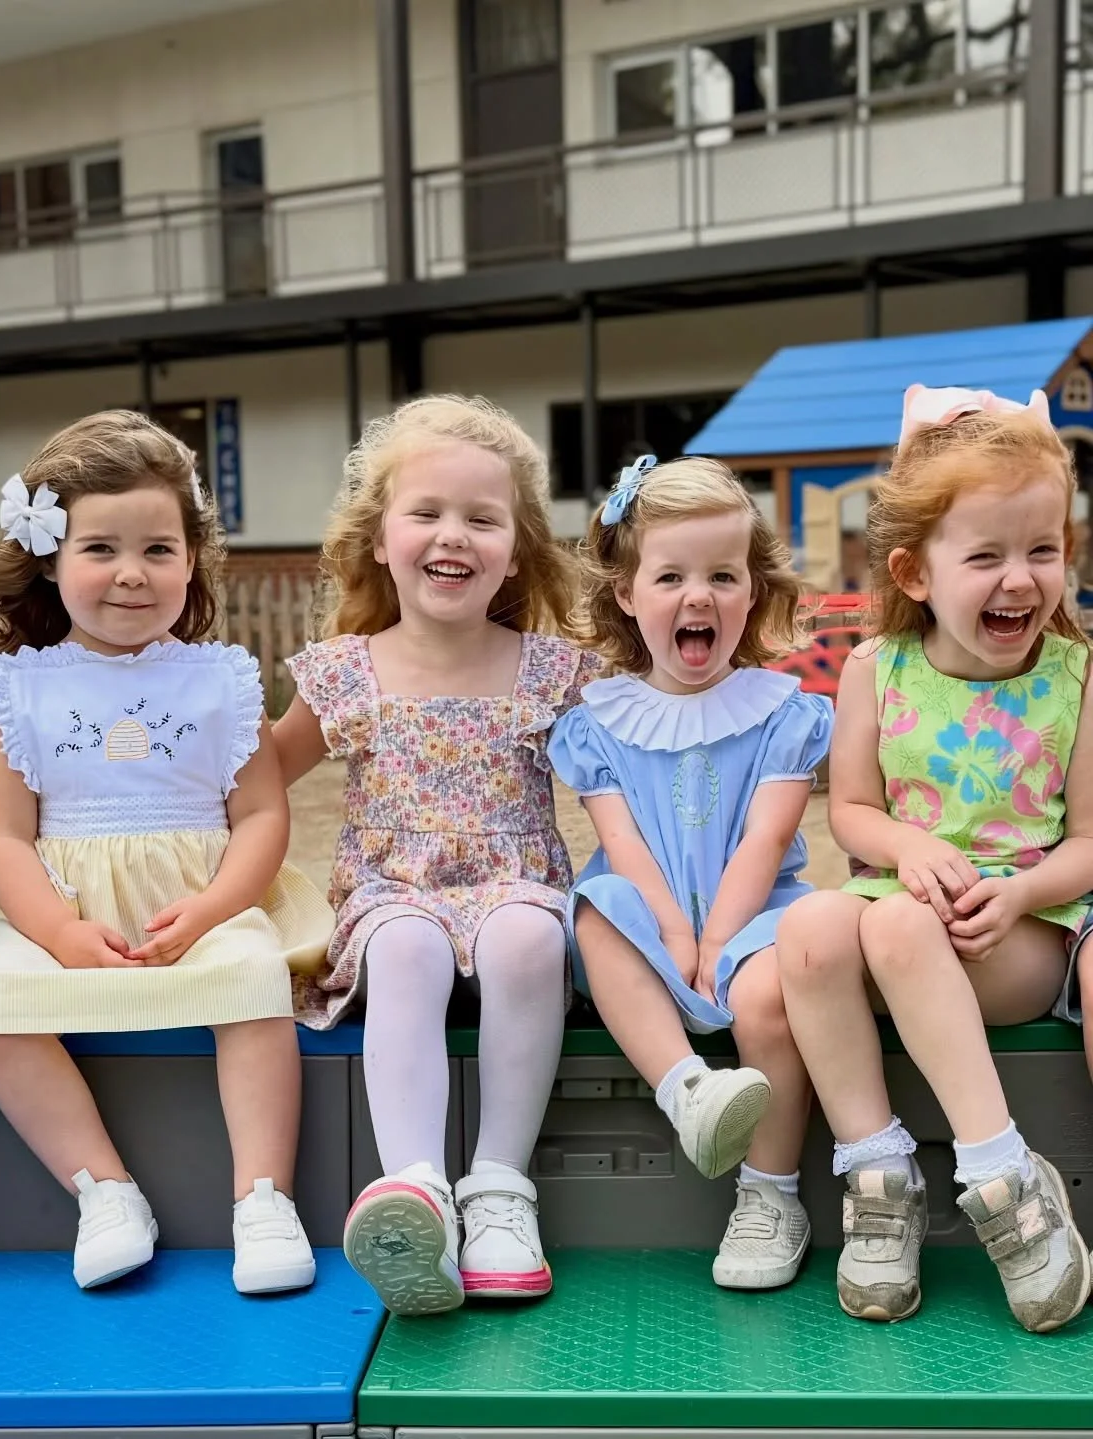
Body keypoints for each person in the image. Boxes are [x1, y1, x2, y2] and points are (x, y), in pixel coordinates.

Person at [0, 410, 332, 1295]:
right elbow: (2, 832)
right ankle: (105, 1189)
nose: (132, 573)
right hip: (63, 904)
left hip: (203, 897)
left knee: (252, 982)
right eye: (101, 549)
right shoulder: (23, 686)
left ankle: (263, 1196)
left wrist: (213, 907)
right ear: (50, 558)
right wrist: (54, 929)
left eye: (159, 548)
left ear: (192, 559)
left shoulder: (222, 679)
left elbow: (261, 817)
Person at [777, 385, 1093, 1333]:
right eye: (986, 554)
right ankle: (878, 1173)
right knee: (811, 922)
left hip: (1019, 933)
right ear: (916, 572)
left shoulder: (1075, 678)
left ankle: (1004, 1177)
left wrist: (1024, 889)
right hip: (893, 917)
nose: (1019, 579)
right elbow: (855, 812)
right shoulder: (877, 668)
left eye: (1041, 551)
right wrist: (910, 845)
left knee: (898, 925)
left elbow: (1087, 842)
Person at [274, 395, 598, 1316]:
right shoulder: (349, 669)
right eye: (426, 512)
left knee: (529, 940)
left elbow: (619, 778)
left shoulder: (550, 670)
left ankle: (498, 1188)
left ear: (515, 548)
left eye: (481, 518)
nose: (452, 535)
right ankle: (413, 1190)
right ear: (379, 538)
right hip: (392, 894)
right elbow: (260, 777)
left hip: (515, 886)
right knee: (407, 949)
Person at [549, 455, 830, 1291]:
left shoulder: (781, 711)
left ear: (753, 590)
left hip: (754, 914)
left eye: (722, 574)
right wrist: (673, 929)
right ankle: (687, 1092)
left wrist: (715, 939)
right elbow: (619, 839)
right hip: (650, 915)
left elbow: (765, 838)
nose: (697, 595)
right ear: (629, 594)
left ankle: (771, 1192)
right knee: (597, 909)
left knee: (771, 992)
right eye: (669, 575)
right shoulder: (601, 719)